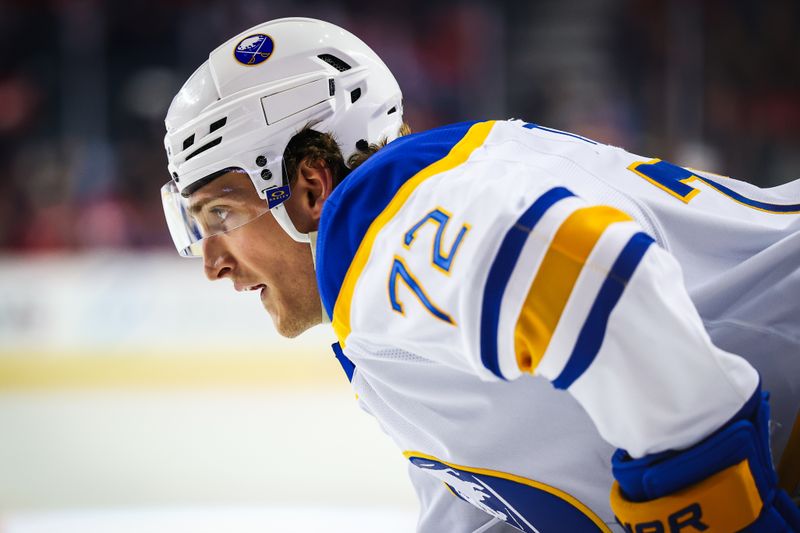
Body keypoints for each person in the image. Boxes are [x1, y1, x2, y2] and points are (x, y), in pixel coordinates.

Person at [160, 17, 800, 532]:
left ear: (307, 186)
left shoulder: (375, 221)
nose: (212, 262)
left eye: (221, 212)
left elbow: (587, 270)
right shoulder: (392, 297)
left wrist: (704, 504)